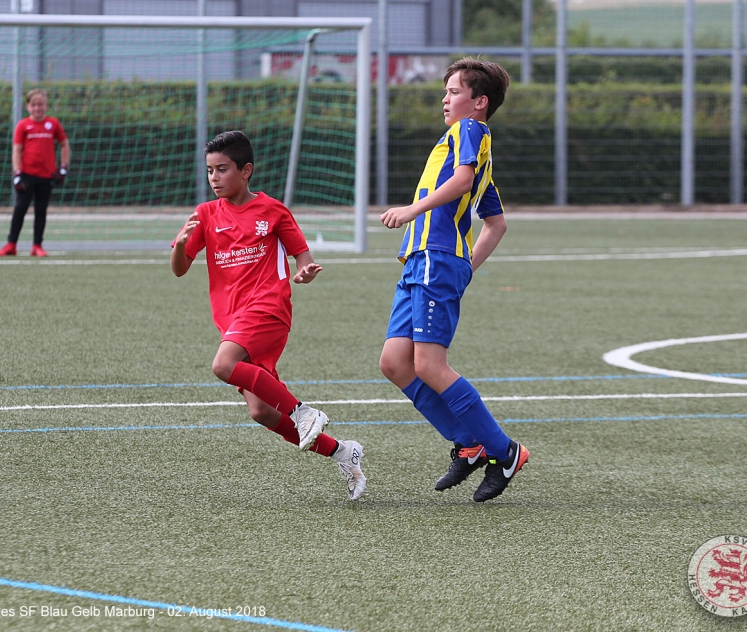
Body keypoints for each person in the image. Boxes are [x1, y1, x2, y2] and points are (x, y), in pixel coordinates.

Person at [171, 130, 366, 501]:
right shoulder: (205, 214)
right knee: (261, 411)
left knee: (223, 365)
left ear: (246, 171)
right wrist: (180, 246)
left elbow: (303, 256)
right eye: (210, 170)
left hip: (268, 307)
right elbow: (179, 269)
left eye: (222, 169)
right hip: (232, 321)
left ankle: (303, 412)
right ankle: (343, 452)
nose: (214, 178)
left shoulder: (272, 210)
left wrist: (304, 272)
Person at [378, 58, 528, 503]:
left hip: (436, 259)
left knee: (429, 365)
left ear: (479, 102)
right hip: (423, 262)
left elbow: (463, 182)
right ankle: (469, 442)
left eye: (454, 91)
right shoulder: (467, 147)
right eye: (445, 92)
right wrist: (467, 268)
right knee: (394, 363)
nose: (445, 99)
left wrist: (412, 211)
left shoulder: (470, 131)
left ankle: (505, 451)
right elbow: (496, 224)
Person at [0, 88, 70, 257]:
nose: (37, 108)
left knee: (41, 210)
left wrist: (63, 167)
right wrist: (17, 173)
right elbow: (17, 150)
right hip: (27, 175)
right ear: (28, 106)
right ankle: (11, 244)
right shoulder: (23, 125)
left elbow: (64, 144)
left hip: (47, 175)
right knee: (20, 208)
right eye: (34, 105)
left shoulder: (54, 124)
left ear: (46, 105)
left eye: (40, 104)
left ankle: (37, 245)